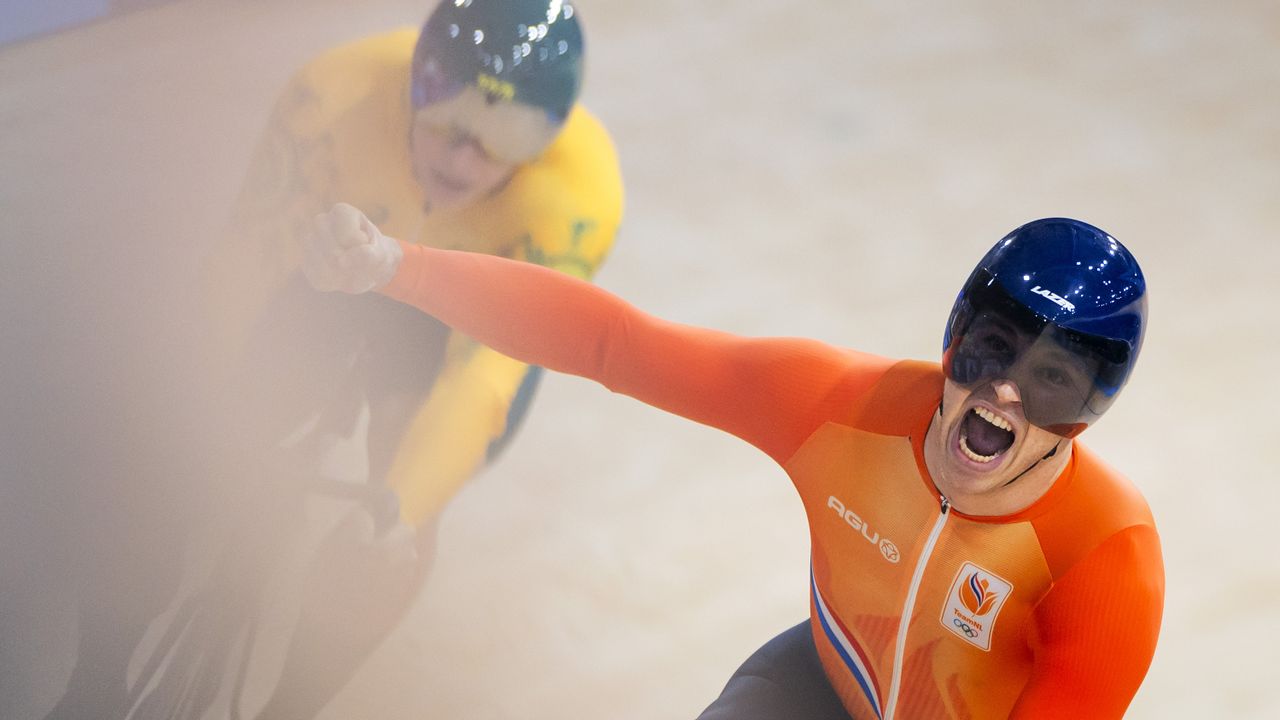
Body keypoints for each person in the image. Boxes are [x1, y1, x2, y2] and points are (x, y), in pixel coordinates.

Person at [302, 209, 1164, 719]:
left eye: (1052, 383)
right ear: (954, 337)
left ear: (1088, 415)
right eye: (992, 350)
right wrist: (398, 266)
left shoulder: (1105, 561)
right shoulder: (840, 408)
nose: (1006, 393)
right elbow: (615, 343)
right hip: (818, 691)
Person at [118, 1, 624, 718]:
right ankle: (98, 667)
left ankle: (292, 706)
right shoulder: (331, 94)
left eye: (501, 142)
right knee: (173, 462)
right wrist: (195, 403)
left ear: (545, 143)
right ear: (414, 86)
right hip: (329, 267)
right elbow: (244, 264)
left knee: (391, 537)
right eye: (445, 123)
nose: (461, 159)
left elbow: (483, 377)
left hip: (456, 324)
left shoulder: (579, 195)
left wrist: (404, 507)